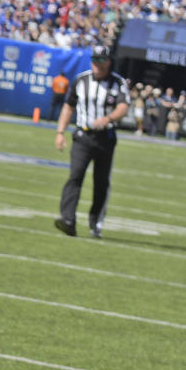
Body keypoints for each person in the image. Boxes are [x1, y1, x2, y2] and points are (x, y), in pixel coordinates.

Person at [54, 43, 129, 239]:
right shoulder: (81, 80)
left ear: (108, 62)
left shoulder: (118, 83)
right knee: (75, 175)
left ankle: (95, 223)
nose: (97, 64)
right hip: (83, 136)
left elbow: (123, 107)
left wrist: (108, 118)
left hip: (106, 137)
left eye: (101, 60)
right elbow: (68, 107)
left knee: (101, 182)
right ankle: (68, 220)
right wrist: (60, 132)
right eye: (94, 60)